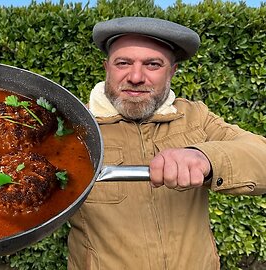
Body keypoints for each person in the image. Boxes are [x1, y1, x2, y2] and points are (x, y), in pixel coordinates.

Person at [67, 17, 266, 270]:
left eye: (152, 64)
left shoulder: (196, 117)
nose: (136, 76)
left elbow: (262, 155)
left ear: (171, 71)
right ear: (107, 67)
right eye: (123, 63)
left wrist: (205, 158)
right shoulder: (74, 127)